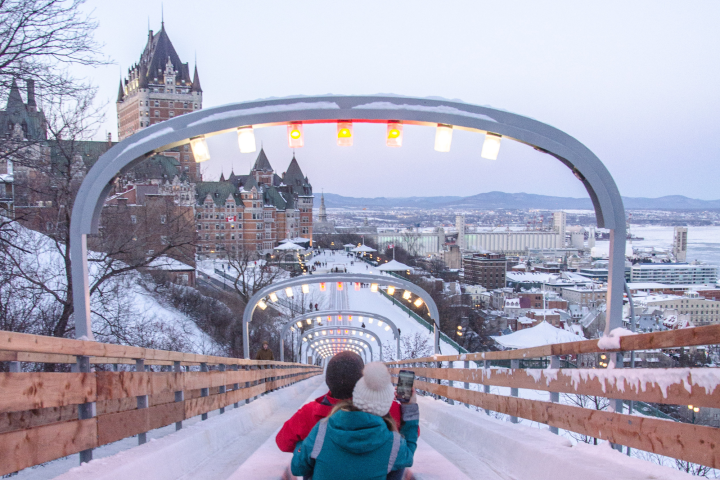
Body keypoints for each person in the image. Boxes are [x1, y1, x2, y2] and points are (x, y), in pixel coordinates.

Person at [291, 362, 419, 480]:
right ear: (385, 406)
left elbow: (297, 468)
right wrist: (409, 406)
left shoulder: (322, 430)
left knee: (311, 461)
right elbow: (408, 455)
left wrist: (301, 446)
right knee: (397, 464)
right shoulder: (393, 443)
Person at [276, 352, 403, 453]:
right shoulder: (385, 408)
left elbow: (283, 442)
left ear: (329, 380)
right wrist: (407, 406)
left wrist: (307, 449)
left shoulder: (310, 413)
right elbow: (411, 432)